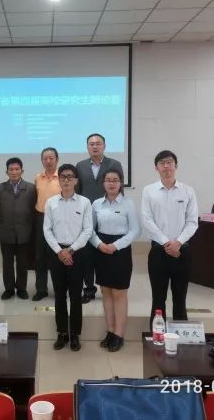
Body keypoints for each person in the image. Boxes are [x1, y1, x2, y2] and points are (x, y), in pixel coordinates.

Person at [141, 150, 198, 329]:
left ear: (176, 165)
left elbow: (192, 222)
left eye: (169, 162)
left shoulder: (188, 191)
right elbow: (147, 220)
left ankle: (181, 339)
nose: (166, 166)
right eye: (162, 163)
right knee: (158, 299)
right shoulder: (149, 191)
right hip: (159, 251)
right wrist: (166, 242)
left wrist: (178, 243)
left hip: (182, 251)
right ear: (156, 168)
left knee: (180, 298)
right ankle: (157, 338)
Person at [90, 168, 141, 352]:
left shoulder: (128, 204)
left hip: (121, 251)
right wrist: (99, 244)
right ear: (103, 183)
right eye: (108, 180)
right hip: (101, 249)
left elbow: (136, 231)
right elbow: (90, 229)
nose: (111, 183)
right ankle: (110, 331)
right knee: (105, 292)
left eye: (115, 180)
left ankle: (119, 334)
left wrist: (116, 246)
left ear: (121, 183)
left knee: (119, 293)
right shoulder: (96, 204)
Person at [43, 163, 92, 352]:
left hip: (77, 253)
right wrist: (59, 251)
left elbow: (87, 230)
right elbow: (47, 229)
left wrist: (70, 250)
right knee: (59, 295)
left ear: (76, 180)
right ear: (59, 180)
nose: (66, 180)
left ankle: (75, 334)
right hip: (57, 253)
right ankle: (62, 332)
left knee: (76, 296)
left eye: (70, 177)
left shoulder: (84, 202)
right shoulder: (51, 202)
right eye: (63, 176)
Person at [76, 133, 124, 304]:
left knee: (107, 252)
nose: (95, 146)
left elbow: (119, 189)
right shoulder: (80, 166)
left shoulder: (114, 164)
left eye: (98, 143)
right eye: (91, 144)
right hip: (87, 216)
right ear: (87, 147)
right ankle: (89, 288)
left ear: (104, 146)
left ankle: (108, 286)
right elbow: (78, 192)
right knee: (87, 255)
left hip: (108, 215)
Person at [0, 157, 36, 300]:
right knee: (7, 263)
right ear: (6, 172)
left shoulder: (31, 188)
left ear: (22, 171)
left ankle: (22, 288)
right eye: (11, 169)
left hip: (25, 232)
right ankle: (9, 289)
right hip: (6, 232)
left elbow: (33, 209)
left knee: (23, 263)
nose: (14, 172)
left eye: (17, 169)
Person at [32, 147, 61, 301]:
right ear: (42, 161)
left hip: (59, 220)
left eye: (51, 158)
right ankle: (41, 289)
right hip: (41, 218)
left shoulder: (62, 177)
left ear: (57, 159)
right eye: (45, 158)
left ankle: (59, 288)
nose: (48, 161)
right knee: (40, 256)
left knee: (57, 254)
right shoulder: (38, 178)